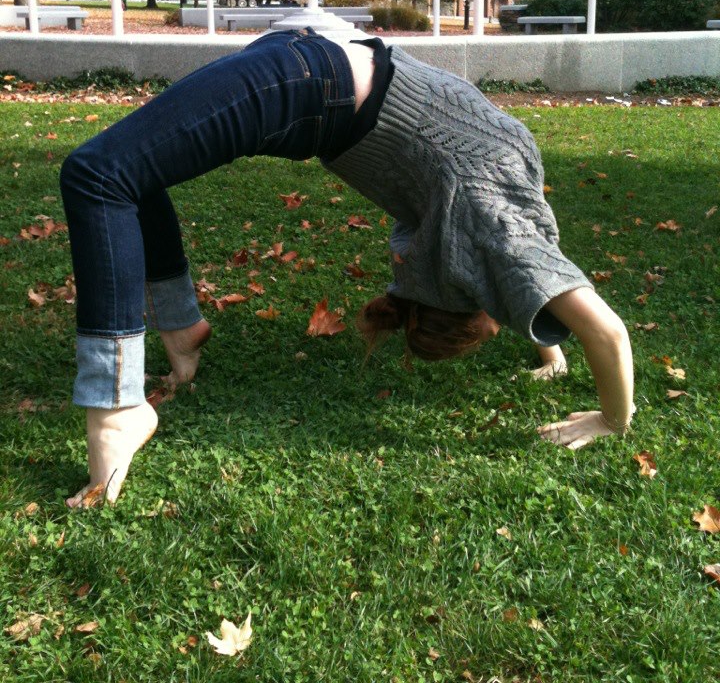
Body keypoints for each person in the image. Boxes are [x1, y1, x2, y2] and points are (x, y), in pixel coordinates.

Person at [59, 29, 634, 508]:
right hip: (310, 80)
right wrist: (613, 419)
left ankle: (171, 343)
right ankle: (119, 408)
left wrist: (550, 353)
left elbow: (532, 282)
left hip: (313, 64)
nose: (398, 259)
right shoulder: (496, 232)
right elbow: (601, 326)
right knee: (105, 175)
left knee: (114, 170)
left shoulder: (510, 212)